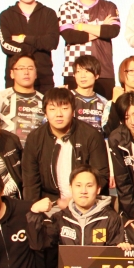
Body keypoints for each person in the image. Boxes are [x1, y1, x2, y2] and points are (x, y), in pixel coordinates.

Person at [21, 87, 110, 215]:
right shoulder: (35, 138)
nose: (59, 114)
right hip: (50, 205)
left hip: (87, 203)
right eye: (52, 109)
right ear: (45, 113)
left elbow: (101, 175)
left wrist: (77, 199)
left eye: (64, 108)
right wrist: (34, 210)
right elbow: (30, 181)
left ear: (73, 111)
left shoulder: (91, 135)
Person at [58, 0, 121, 98]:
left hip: (104, 71)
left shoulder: (108, 6)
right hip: (74, 71)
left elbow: (112, 31)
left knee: (106, 108)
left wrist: (81, 26)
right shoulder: (67, 7)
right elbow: (70, 36)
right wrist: (101, 28)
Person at [0, 0, 60, 90]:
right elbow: (6, 45)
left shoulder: (49, 13)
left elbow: (52, 42)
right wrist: (38, 43)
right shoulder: (6, 15)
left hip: (43, 78)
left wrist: (24, 39)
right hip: (15, 80)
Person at [0, 53, 47, 143]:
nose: (26, 72)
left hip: (36, 149)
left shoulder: (45, 100)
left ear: (36, 74)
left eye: (30, 68)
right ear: (12, 73)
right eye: (21, 68)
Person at [68, 54, 111, 133]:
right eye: (78, 71)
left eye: (87, 71)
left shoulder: (104, 102)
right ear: (74, 75)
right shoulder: (67, 97)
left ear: (96, 75)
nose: (82, 76)